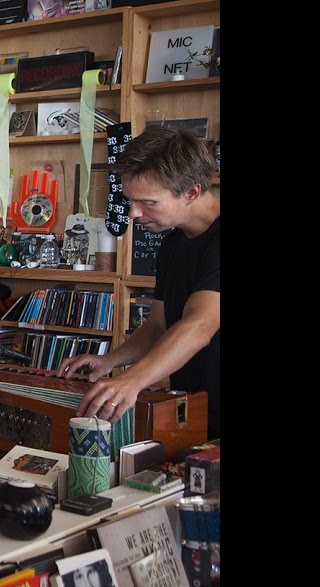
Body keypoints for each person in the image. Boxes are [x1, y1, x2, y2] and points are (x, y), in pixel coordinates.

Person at [57, 127, 220, 439]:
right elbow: (158, 326)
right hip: (198, 412)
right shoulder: (173, 244)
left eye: (148, 202)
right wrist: (110, 361)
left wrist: (132, 380)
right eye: (130, 201)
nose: (133, 213)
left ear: (192, 192)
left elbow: (201, 325)